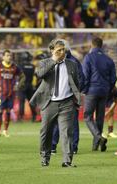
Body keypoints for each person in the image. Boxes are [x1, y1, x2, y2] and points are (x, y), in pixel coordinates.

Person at [30, 39, 80, 167]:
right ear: (52, 50)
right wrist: (53, 61)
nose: (62, 52)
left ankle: (67, 161)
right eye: (59, 50)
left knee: (67, 132)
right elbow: (40, 74)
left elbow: (76, 83)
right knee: (45, 132)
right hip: (49, 102)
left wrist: (76, 99)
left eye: (63, 49)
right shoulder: (44, 62)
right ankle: (45, 157)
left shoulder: (72, 64)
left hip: (67, 103)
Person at [82, 37, 117, 152]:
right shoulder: (108, 59)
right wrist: (108, 89)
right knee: (100, 118)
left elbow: (85, 75)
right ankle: (96, 146)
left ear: (92, 45)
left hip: (91, 90)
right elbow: (114, 78)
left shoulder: (88, 57)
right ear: (101, 46)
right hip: (104, 92)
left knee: (88, 116)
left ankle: (99, 137)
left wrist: (84, 89)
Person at [51, 47, 84, 155]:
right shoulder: (73, 62)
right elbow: (82, 79)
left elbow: (80, 79)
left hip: (65, 97)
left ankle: (53, 146)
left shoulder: (70, 62)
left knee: (59, 122)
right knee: (72, 123)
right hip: (68, 96)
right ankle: (73, 147)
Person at [0, 50, 25, 138]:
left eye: (10, 55)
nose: (9, 57)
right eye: (7, 55)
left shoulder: (15, 67)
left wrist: (18, 86)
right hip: (1, 94)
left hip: (11, 93)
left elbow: (23, 76)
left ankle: (5, 131)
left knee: (8, 111)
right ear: (3, 57)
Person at [18, 52, 38, 122]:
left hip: (22, 86)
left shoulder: (20, 66)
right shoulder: (32, 66)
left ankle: (20, 117)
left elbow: (19, 76)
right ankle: (34, 116)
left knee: (22, 102)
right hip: (30, 85)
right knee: (31, 102)